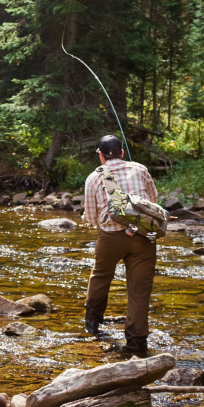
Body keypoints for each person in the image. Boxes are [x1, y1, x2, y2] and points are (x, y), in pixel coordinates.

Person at [83, 135, 159, 357]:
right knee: (139, 291)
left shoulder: (95, 177)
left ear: (101, 154)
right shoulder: (141, 169)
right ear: (122, 152)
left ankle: (92, 324)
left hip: (110, 238)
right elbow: (153, 202)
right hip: (143, 236)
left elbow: (90, 218)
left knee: (101, 276)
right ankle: (136, 343)